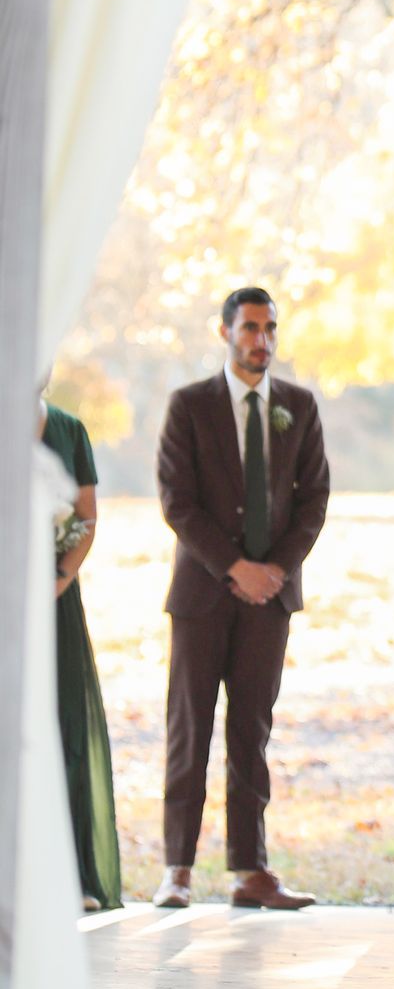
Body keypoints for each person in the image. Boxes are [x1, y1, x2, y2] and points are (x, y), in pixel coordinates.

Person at [154, 288, 330, 910]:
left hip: (270, 601)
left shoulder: (299, 407)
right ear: (226, 331)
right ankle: (176, 870)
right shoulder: (190, 406)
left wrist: (274, 571)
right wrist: (232, 567)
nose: (262, 339)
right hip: (203, 596)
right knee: (190, 730)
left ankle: (250, 872)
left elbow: (313, 501)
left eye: (270, 328)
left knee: (251, 732)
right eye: (251, 327)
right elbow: (177, 500)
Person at [41, 394, 120, 912]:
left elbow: (85, 516)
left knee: (65, 722)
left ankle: (70, 874)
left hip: (55, 598)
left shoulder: (70, 430)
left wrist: (58, 577)